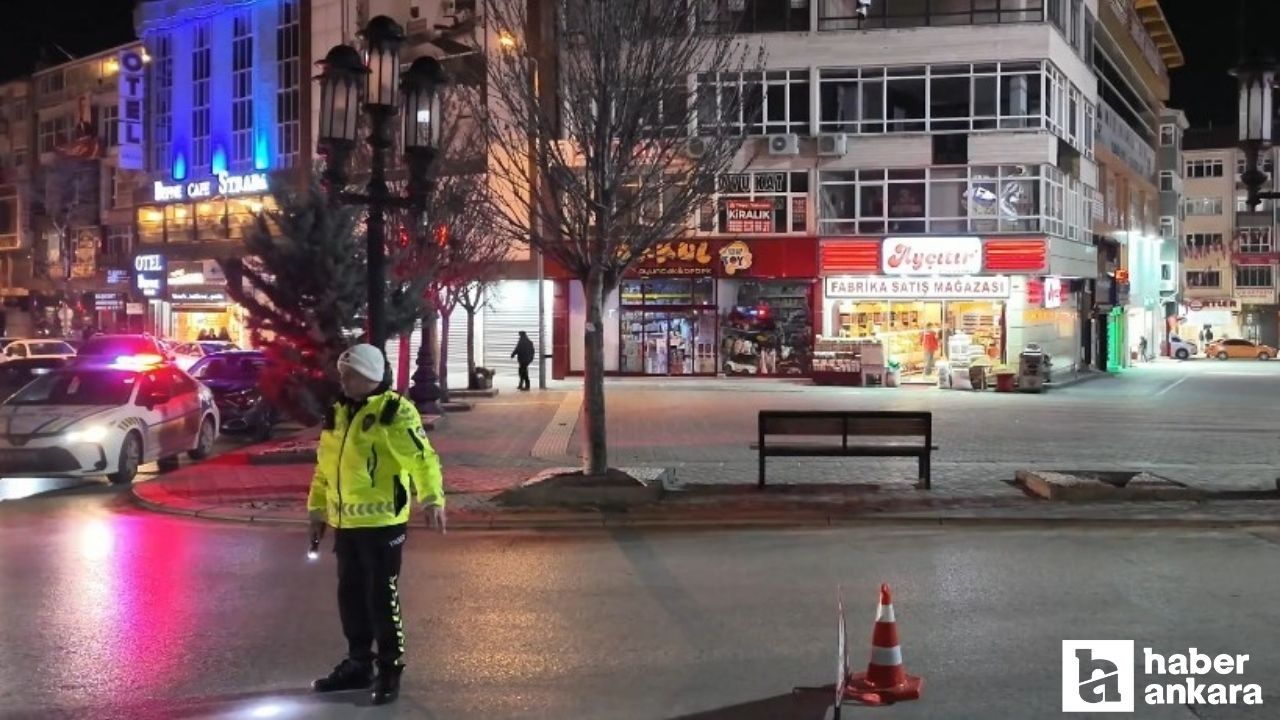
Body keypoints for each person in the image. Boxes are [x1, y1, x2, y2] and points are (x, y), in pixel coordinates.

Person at [308, 343, 446, 706]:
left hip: (384, 523)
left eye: (350, 375)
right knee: (350, 596)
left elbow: (422, 458)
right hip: (346, 522)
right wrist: (317, 510)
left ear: (370, 376)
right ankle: (359, 663)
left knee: (382, 598)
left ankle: (390, 668)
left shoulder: (394, 411)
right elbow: (325, 467)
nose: (343, 381)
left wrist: (432, 498)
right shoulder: (338, 411)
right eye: (342, 375)